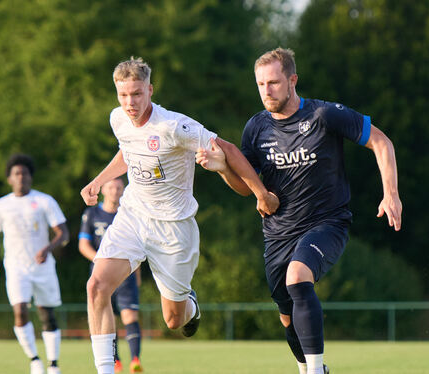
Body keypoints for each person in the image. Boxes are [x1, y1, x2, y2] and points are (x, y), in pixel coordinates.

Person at [196, 47, 402, 374]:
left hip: (327, 223)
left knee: (298, 277)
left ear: (293, 80)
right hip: (278, 233)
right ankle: (308, 368)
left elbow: (381, 142)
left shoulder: (323, 115)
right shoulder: (256, 128)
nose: (267, 90)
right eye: (261, 84)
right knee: (287, 316)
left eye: (274, 82)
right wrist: (223, 169)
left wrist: (390, 194)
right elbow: (250, 189)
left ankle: (316, 371)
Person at [80, 56, 280, 374]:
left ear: (150, 90)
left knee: (174, 320)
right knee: (97, 287)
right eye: (123, 95)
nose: (130, 102)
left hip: (173, 230)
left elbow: (227, 149)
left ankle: (191, 306)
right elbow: (128, 151)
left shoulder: (173, 126)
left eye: (136, 94)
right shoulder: (117, 118)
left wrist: (261, 193)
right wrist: (98, 180)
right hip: (133, 216)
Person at [0, 153, 69, 374]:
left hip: (43, 267)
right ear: (9, 178)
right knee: (20, 312)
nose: (21, 177)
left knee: (47, 315)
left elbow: (63, 233)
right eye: (16, 173)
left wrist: (48, 248)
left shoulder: (44, 201)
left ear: (30, 177)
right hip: (16, 268)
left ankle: (53, 364)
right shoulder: (0, 206)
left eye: (24, 173)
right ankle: (34, 359)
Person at [79, 177, 144, 373]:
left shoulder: (129, 214)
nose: (115, 191)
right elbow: (83, 245)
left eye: (118, 187)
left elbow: (137, 247)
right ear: (104, 190)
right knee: (108, 318)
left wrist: (137, 274)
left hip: (127, 274)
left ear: (124, 190)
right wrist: (102, 261)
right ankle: (114, 362)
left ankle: (135, 360)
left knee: (130, 316)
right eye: (111, 187)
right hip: (101, 275)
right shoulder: (92, 213)